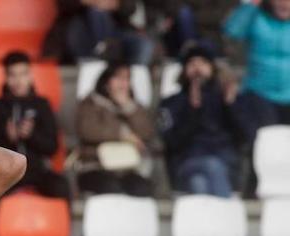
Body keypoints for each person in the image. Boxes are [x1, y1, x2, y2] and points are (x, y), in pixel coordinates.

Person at [159, 43, 245, 197]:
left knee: (199, 184)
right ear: (184, 70)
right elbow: (171, 142)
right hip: (187, 162)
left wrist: (230, 107)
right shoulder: (172, 103)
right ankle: (228, 215)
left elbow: (244, 137)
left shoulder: (226, 99)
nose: (197, 69)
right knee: (212, 166)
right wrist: (193, 111)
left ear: (212, 68)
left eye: (203, 63)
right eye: (192, 64)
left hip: (225, 163)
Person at [0, 51, 70, 200]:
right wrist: (7, 138)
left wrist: (31, 136)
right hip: (7, 172)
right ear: (6, 77)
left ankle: (62, 222)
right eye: (13, 75)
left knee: (61, 186)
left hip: (37, 171)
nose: (18, 81)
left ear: (30, 76)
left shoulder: (42, 105)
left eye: (23, 74)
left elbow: (52, 147)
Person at [75, 63, 158, 196]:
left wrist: (128, 107)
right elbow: (87, 130)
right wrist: (122, 135)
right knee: (111, 187)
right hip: (95, 166)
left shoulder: (135, 107)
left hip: (129, 168)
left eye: (127, 79)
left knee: (143, 188)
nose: (123, 83)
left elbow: (147, 132)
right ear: (106, 82)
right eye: (118, 78)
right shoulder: (90, 103)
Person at [224, 0, 290, 131]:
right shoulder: (256, 17)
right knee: (268, 139)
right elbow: (232, 30)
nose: (284, 3)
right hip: (260, 93)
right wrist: (252, 4)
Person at [46, 0, 155, 65]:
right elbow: (63, 3)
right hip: (79, 30)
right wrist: (92, 2)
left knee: (143, 44)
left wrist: (116, 3)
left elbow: (131, 7)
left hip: (114, 30)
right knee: (96, 12)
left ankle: (126, 80)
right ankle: (101, 46)